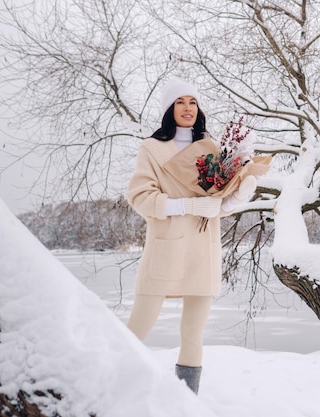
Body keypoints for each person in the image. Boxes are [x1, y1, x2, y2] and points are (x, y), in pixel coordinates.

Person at [124, 78, 257, 394]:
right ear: (170, 109)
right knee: (136, 329)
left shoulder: (211, 148)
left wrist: (237, 199)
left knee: (193, 335)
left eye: (193, 102)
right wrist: (186, 204)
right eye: (180, 102)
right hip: (166, 248)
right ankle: (107, 387)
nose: (187, 108)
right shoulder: (152, 148)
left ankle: (186, 403)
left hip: (202, 250)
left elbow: (216, 204)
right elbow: (139, 196)